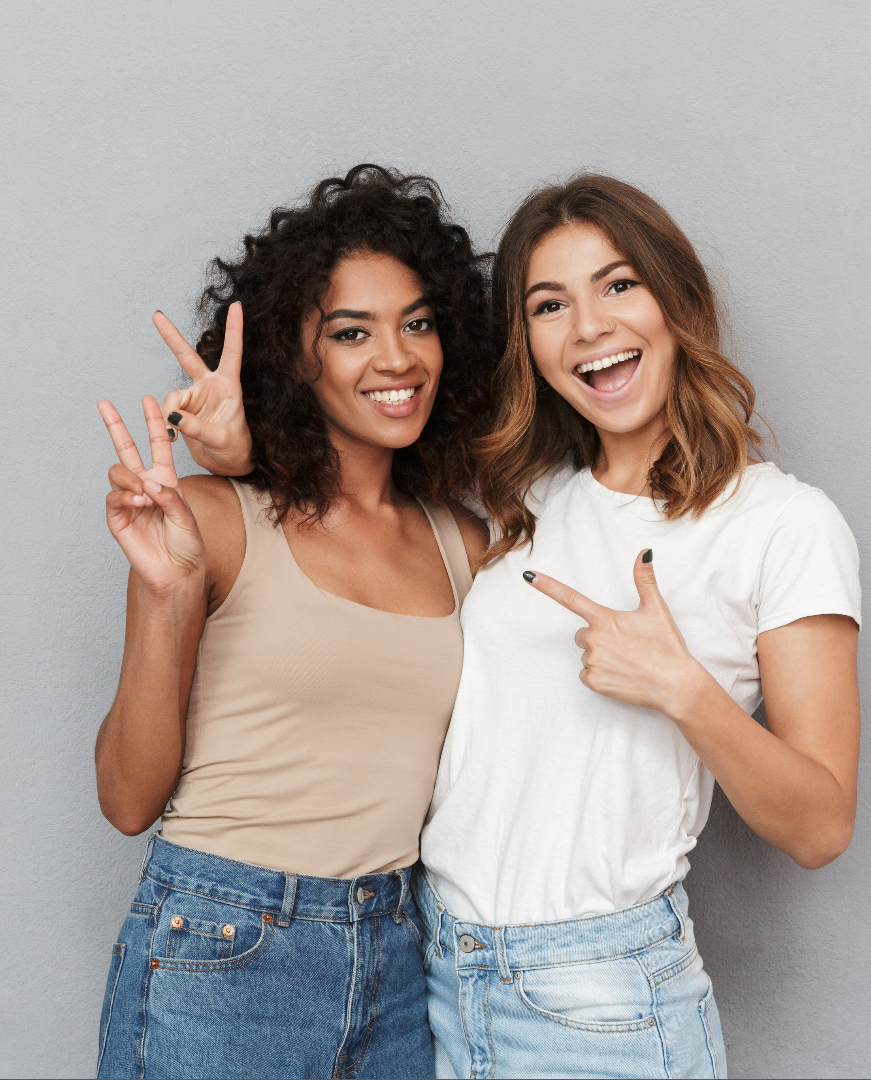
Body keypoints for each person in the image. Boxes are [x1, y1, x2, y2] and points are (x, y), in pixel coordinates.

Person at [417, 175, 862, 1080]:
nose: (588, 326)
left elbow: (821, 827)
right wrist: (237, 456)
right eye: (550, 303)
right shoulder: (520, 502)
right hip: (432, 973)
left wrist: (683, 688)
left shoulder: (782, 524)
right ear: (529, 342)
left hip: (601, 1005)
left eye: (618, 285)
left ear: (676, 302)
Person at [91, 165, 493, 1080]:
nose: (397, 358)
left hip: (400, 955)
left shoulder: (469, 544)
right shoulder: (213, 519)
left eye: (418, 322)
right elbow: (126, 800)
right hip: (221, 945)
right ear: (295, 357)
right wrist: (169, 593)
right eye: (351, 332)